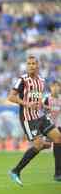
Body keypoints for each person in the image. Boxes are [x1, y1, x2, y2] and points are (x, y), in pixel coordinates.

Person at [7, 55, 61, 185]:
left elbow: (37, 99)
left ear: (38, 66)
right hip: (28, 118)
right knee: (39, 145)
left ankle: (58, 174)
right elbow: (11, 97)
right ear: (27, 66)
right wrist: (26, 103)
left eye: (33, 63)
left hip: (40, 115)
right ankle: (16, 171)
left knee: (58, 137)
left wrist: (44, 106)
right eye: (29, 64)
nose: (31, 66)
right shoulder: (22, 80)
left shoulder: (41, 81)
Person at [43, 81, 61, 178]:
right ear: (50, 88)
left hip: (59, 126)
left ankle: (58, 173)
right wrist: (46, 108)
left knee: (58, 148)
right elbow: (39, 109)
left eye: (57, 87)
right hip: (49, 127)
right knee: (47, 146)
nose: (55, 88)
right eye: (53, 87)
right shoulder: (46, 99)